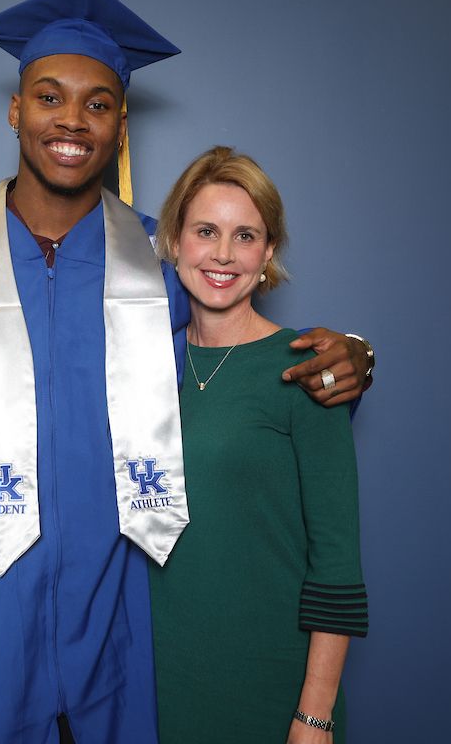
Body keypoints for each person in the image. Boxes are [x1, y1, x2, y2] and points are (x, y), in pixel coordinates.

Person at [0, 0, 373, 744]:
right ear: (15, 110)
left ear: (121, 126)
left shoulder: (160, 267)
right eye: (48, 96)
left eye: (98, 103)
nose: (72, 119)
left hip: (117, 638)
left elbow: (241, 362)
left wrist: (354, 356)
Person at [147, 147, 367, 744]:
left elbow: (337, 562)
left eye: (245, 236)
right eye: (205, 231)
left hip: (272, 694)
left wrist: (313, 716)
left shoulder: (305, 367)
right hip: (153, 689)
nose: (222, 254)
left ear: (268, 252)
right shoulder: (139, 367)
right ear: (174, 239)